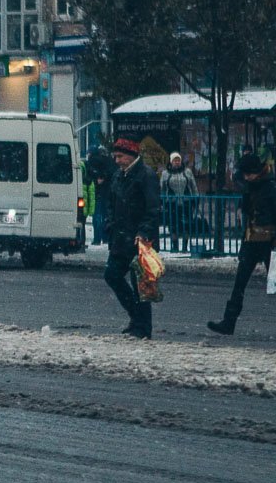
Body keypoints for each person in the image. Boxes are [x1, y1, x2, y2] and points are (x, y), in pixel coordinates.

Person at [207, 153, 276, 336]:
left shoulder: (272, 188)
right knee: (240, 284)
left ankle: (229, 322)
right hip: (252, 241)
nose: (246, 177)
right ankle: (229, 322)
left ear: (256, 172)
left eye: (248, 174)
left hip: (268, 242)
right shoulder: (251, 187)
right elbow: (248, 213)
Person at [104, 137, 161, 339]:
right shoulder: (119, 176)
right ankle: (136, 318)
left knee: (140, 286)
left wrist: (143, 233)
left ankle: (142, 327)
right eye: (115, 157)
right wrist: (110, 224)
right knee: (112, 275)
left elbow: (153, 209)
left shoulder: (146, 175)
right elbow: (111, 203)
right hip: (121, 238)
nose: (117, 160)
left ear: (131, 155)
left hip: (140, 241)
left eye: (120, 156)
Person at [159, 152, 198, 252]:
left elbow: (193, 186)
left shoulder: (187, 172)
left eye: (178, 160)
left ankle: (185, 247)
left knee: (186, 225)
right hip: (171, 203)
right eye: (175, 160)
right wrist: (162, 201)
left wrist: (196, 199)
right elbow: (162, 189)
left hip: (186, 202)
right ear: (171, 162)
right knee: (173, 225)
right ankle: (175, 246)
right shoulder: (165, 173)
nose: (177, 162)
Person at [85, 147, 114, 245]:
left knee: (96, 216)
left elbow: (89, 175)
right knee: (105, 215)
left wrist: (98, 178)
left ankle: (97, 238)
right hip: (106, 192)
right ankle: (105, 238)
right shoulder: (108, 161)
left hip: (96, 192)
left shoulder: (92, 161)